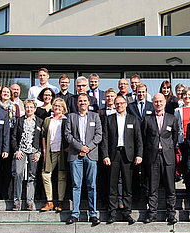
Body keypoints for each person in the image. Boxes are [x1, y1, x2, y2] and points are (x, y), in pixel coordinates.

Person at [101, 95, 143, 224]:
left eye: (121, 103)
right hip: (113, 155)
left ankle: (127, 212)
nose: (119, 106)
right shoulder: (109, 119)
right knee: (112, 185)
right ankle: (112, 212)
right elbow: (105, 139)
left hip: (128, 156)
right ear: (114, 105)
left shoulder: (133, 119)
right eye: (117, 104)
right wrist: (105, 155)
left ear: (126, 104)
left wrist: (139, 155)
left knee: (127, 185)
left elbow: (138, 140)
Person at [65, 93, 102, 225]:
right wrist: (81, 147)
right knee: (76, 185)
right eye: (80, 101)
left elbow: (99, 135)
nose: (82, 103)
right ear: (77, 103)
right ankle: (75, 213)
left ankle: (93, 214)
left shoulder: (95, 116)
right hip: (75, 154)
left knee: (91, 185)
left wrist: (88, 147)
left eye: (85, 101)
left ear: (88, 102)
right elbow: (68, 135)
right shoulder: (71, 117)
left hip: (91, 155)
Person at [141, 93, 178, 224]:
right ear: (153, 103)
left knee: (170, 186)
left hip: (167, 155)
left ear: (165, 102)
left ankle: (171, 213)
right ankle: (152, 213)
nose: (158, 104)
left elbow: (174, 137)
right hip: (152, 156)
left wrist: (167, 147)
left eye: (161, 101)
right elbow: (144, 138)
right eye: (156, 101)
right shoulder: (147, 119)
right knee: (152, 186)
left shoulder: (172, 118)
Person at [11, 99, 43, 211]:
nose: (29, 109)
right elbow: (14, 136)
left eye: (31, 107)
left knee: (32, 176)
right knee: (18, 174)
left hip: (33, 151)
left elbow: (41, 138)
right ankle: (17, 202)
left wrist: (39, 152)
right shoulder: (19, 120)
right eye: (27, 107)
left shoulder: (39, 121)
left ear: (35, 109)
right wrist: (16, 150)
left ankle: (30, 201)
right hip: (21, 150)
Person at [41, 98, 69, 212]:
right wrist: (44, 149)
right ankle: (49, 201)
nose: (57, 108)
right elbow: (43, 134)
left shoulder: (66, 120)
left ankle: (60, 202)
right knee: (46, 174)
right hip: (50, 151)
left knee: (62, 176)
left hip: (62, 152)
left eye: (60, 106)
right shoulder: (48, 120)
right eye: (55, 105)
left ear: (63, 108)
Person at [0, 86, 20, 200]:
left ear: (11, 95)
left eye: (8, 92)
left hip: (10, 138)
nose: (5, 94)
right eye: (4, 92)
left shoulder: (14, 107)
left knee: (7, 168)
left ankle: (5, 192)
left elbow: (17, 124)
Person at [174, 87, 190, 192]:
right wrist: (176, 142)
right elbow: (176, 126)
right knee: (186, 164)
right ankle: (188, 188)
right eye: (185, 95)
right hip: (183, 140)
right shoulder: (178, 110)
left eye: (189, 95)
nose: (187, 97)